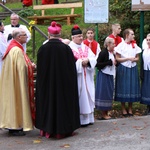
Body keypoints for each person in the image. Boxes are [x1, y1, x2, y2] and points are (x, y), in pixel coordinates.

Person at [35, 21, 80, 139]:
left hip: (47, 86)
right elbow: (72, 69)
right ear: (59, 36)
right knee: (62, 104)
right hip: (63, 86)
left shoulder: (42, 49)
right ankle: (64, 129)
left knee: (48, 104)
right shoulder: (66, 49)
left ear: (49, 36)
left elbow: (41, 71)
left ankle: (47, 129)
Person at [0, 28, 35, 136]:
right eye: (25, 35)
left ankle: (13, 125)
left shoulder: (13, 48)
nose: (27, 37)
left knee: (12, 101)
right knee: (16, 101)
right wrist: (31, 66)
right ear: (19, 37)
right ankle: (14, 127)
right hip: (16, 82)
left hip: (11, 81)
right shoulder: (17, 50)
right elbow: (22, 68)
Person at [69, 25, 96, 126]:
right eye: (79, 36)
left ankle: (89, 118)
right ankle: (80, 120)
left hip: (87, 76)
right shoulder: (69, 48)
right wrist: (80, 62)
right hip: (78, 77)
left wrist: (88, 61)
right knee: (80, 96)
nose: (81, 38)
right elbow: (69, 63)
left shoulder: (86, 47)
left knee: (88, 96)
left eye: (81, 36)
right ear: (73, 38)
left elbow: (94, 58)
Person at [114, 28, 141, 117]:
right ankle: (123, 107)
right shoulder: (121, 45)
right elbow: (117, 58)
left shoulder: (134, 45)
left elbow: (137, 58)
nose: (133, 36)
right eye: (132, 34)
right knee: (123, 87)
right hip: (123, 67)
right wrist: (127, 58)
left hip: (132, 67)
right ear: (127, 35)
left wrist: (134, 59)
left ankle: (130, 107)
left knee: (131, 87)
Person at [95, 37, 116, 120]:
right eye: (113, 43)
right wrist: (109, 62)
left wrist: (115, 63)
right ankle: (103, 113)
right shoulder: (103, 53)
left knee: (109, 93)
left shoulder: (112, 53)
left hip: (110, 74)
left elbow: (113, 63)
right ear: (108, 44)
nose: (114, 45)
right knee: (104, 93)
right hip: (104, 74)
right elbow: (98, 64)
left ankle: (107, 112)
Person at [141, 33, 150, 115]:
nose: (148, 41)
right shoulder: (145, 50)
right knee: (147, 89)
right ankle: (148, 106)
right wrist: (142, 72)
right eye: (147, 40)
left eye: (149, 40)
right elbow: (143, 61)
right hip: (146, 70)